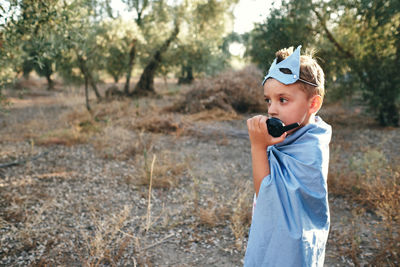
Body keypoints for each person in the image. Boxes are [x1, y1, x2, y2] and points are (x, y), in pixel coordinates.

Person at [244, 45, 331, 267]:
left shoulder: (311, 149)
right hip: (271, 236)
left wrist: (257, 148)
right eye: (268, 100)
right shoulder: (289, 137)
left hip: (291, 253)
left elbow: (267, 195)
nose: (272, 110)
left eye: (282, 100)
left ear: (313, 104)